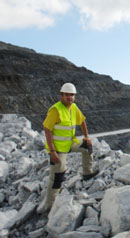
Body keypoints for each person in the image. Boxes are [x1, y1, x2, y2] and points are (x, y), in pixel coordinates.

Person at [38, 82, 98, 214]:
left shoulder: (74, 107)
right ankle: (50, 206)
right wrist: (52, 152)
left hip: (69, 143)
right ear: (61, 95)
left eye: (72, 95)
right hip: (58, 148)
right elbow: (47, 129)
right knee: (58, 175)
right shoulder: (56, 110)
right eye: (67, 95)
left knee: (87, 146)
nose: (70, 97)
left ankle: (87, 172)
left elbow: (82, 121)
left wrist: (86, 137)